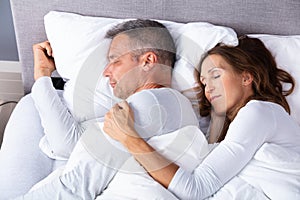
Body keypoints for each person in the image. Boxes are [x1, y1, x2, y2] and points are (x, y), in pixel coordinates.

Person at [14, 19, 201, 199]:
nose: (106, 72)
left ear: (148, 61)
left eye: (115, 61)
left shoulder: (145, 104)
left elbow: (76, 186)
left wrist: (41, 77)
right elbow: (72, 144)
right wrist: (43, 78)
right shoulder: (178, 106)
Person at [103, 36, 300, 199]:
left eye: (215, 76)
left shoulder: (258, 112)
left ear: (246, 78)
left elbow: (195, 190)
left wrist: (130, 139)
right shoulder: (228, 131)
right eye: (204, 83)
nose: (209, 89)